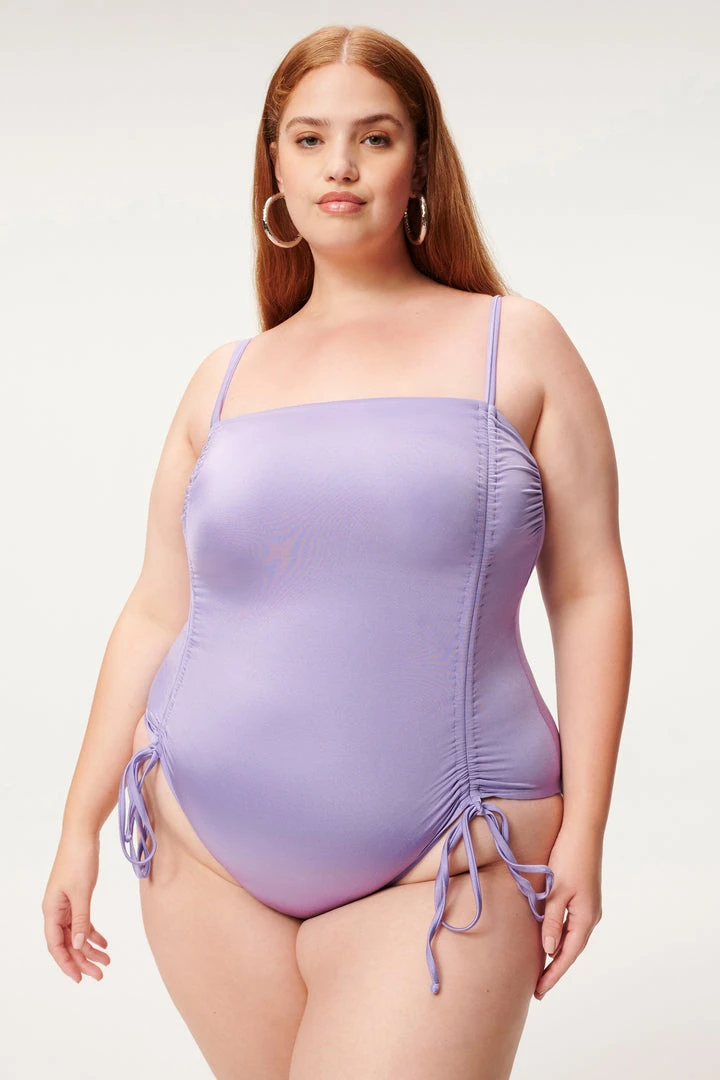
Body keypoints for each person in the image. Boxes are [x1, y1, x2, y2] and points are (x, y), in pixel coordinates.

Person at [42, 23, 632, 1080]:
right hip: (204, 854)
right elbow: (156, 610)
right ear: (273, 167)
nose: (341, 166)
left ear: (421, 163)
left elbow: (589, 593)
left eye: (375, 137)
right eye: (309, 139)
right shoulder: (223, 379)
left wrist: (587, 830)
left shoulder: (517, 343)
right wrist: (78, 825)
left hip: (450, 851)